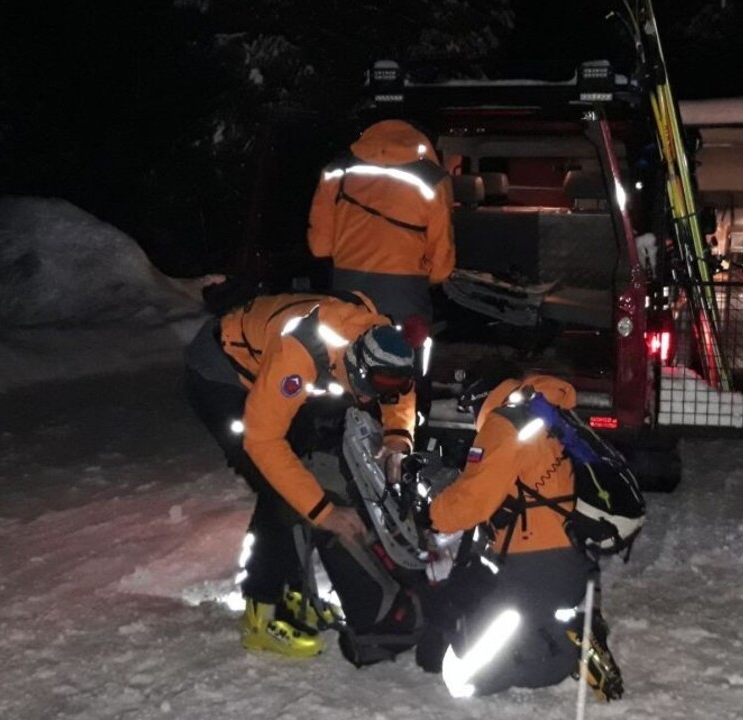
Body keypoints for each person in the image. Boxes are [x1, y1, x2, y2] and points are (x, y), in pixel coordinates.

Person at [184, 283, 419, 657]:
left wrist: (396, 436)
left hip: (271, 365)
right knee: (281, 492)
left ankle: (297, 594)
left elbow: (400, 390)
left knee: (304, 468)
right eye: (373, 390)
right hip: (222, 374)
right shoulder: (301, 352)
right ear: (356, 365)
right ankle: (262, 612)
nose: (378, 399)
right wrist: (324, 513)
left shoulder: (381, 338)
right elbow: (262, 441)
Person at [417, 358, 621, 699]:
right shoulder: (552, 414)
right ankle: (570, 625)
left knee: (463, 678)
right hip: (574, 558)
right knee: (497, 605)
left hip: (531, 564)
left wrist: (431, 513)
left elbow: (471, 503)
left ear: (482, 397)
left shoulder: (503, 425)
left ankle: (566, 649)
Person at [307, 119, 455, 325]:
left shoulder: (337, 171)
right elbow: (441, 248)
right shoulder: (433, 179)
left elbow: (320, 244)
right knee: (401, 350)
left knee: (347, 344)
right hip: (405, 289)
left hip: (348, 282)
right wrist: (434, 277)